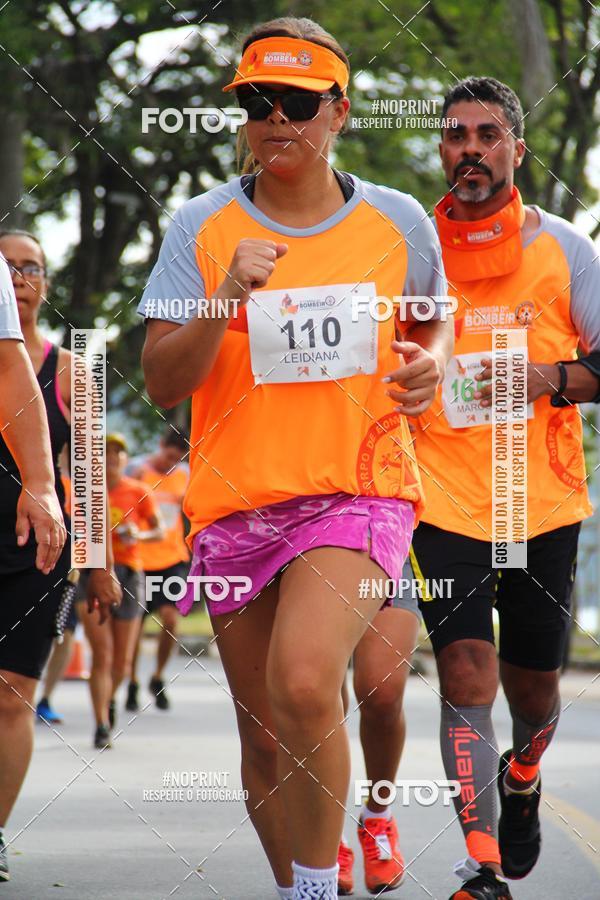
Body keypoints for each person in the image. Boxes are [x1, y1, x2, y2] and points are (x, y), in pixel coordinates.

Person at [138, 16, 453, 900]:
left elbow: (434, 346)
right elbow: (164, 381)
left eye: (299, 103)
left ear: (339, 111)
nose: (278, 119)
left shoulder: (398, 222)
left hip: (359, 489)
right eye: (257, 102)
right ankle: (300, 887)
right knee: (267, 738)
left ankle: (325, 884)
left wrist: (433, 374)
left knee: (309, 681)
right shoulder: (200, 227)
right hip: (237, 503)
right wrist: (224, 295)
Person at [411, 77, 600, 900]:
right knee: (463, 672)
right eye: (457, 136)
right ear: (443, 150)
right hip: (437, 496)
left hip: (540, 499)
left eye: (489, 136)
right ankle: (482, 864)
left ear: (515, 150)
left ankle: (523, 773)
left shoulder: (566, 247)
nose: (471, 151)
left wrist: (548, 376)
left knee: (532, 687)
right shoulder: (406, 244)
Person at [0, 231, 119, 884]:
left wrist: (98, 563)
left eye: (31, 267)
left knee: (13, 695)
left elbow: (92, 471)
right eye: (5, 266)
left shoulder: (76, 368)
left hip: (38, 549)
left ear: (45, 283)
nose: (18, 276)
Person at [336, 554, 421, 895]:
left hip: (388, 530)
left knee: (382, 693)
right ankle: (326, 834)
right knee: (317, 698)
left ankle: (377, 816)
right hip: (304, 528)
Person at [77, 433, 162, 748]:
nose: (111, 458)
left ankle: (110, 699)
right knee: (102, 653)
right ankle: (100, 722)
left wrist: (137, 533)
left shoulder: (138, 491)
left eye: (117, 453)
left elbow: (159, 530)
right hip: (89, 573)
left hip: (128, 573)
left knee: (122, 663)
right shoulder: (81, 492)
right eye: (105, 452)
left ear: (126, 460)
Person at [126, 427, 190, 712]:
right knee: (133, 627)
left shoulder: (185, 475)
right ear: (160, 445)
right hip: (138, 558)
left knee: (171, 619)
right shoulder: (137, 471)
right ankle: (130, 681)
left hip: (172, 559)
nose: (169, 463)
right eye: (167, 456)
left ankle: (157, 676)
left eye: (176, 459)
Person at [36, 461, 78, 724]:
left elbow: (89, 527)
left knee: (65, 633)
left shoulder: (74, 485)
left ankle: (45, 698)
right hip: (27, 561)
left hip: (66, 568)